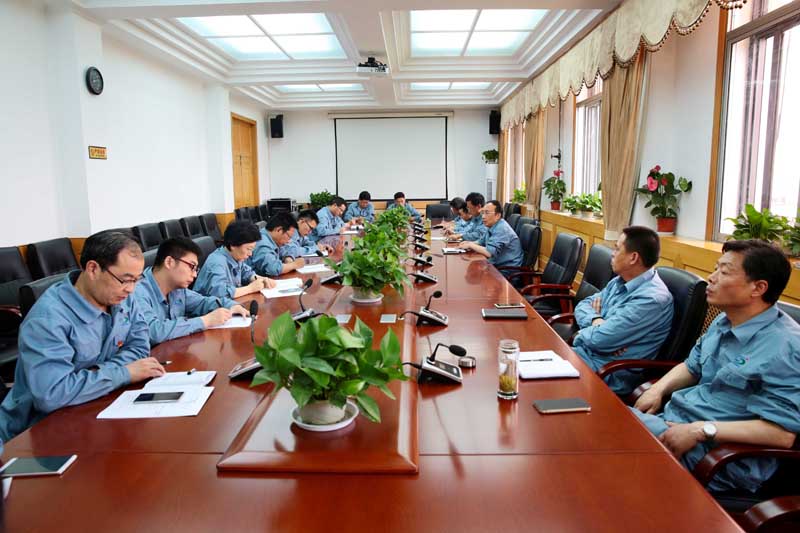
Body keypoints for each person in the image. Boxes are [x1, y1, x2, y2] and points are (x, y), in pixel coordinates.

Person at [632, 239, 799, 493]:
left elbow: (781, 434)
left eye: (725, 272)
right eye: (715, 268)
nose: (711, 278)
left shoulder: (787, 346)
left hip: (716, 456)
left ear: (758, 288)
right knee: (599, 423)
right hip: (674, 424)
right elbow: (692, 367)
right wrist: (658, 389)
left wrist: (700, 430)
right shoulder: (724, 320)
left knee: (604, 429)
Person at [0, 231, 161, 441]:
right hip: (37, 431)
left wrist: (96, 376)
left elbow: (139, 347)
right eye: (125, 280)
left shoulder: (121, 297)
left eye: (136, 280)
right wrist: (123, 373)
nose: (131, 289)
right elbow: (52, 394)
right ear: (93, 269)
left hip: (97, 405)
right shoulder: (48, 319)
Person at [572, 226, 673, 395]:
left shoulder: (651, 299)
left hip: (607, 372)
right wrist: (596, 320)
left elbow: (599, 339)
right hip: (585, 355)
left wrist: (584, 334)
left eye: (617, 249)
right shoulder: (619, 281)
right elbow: (583, 305)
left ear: (633, 258)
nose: (612, 254)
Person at [134, 237, 250, 345]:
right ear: (169, 262)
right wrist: (205, 321)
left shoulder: (178, 289)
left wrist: (232, 305)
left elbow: (203, 302)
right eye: (191, 267)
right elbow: (153, 332)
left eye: (196, 269)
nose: (194, 275)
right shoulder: (137, 291)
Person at [194, 220, 276, 298]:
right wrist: (250, 288)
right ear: (233, 245)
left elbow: (247, 273)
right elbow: (220, 293)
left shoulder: (235, 256)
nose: (250, 254)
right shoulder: (216, 263)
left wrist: (261, 279)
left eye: (252, 249)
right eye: (248, 249)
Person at [458, 200, 523, 269]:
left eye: (487, 213)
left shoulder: (502, 228)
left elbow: (489, 252)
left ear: (497, 215)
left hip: (506, 269)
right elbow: (480, 241)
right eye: (482, 213)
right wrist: (468, 243)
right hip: (495, 264)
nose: (483, 216)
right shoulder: (492, 225)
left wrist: (471, 245)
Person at [248, 212, 305, 276]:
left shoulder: (273, 238)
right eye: (289, 236)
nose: (288, 241)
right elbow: (273, 269)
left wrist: (288, 258)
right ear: (279, 230)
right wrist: (294, 265)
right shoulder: (262, 243)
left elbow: (284, 250)